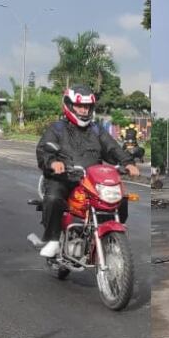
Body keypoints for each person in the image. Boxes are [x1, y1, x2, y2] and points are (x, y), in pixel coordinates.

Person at [36, 85, 139, 258]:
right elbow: (44, 150)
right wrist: (53, 162)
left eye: (87, 107)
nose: (84, 110)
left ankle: (109, 237)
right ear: (69, 105)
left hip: (91, 180)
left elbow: (112, 147)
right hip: (64, 178)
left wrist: (127, 162)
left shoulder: (96, 129)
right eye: (80, 106)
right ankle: (53, 239)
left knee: (119, 199)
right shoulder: (57, 129)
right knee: (53, 198)